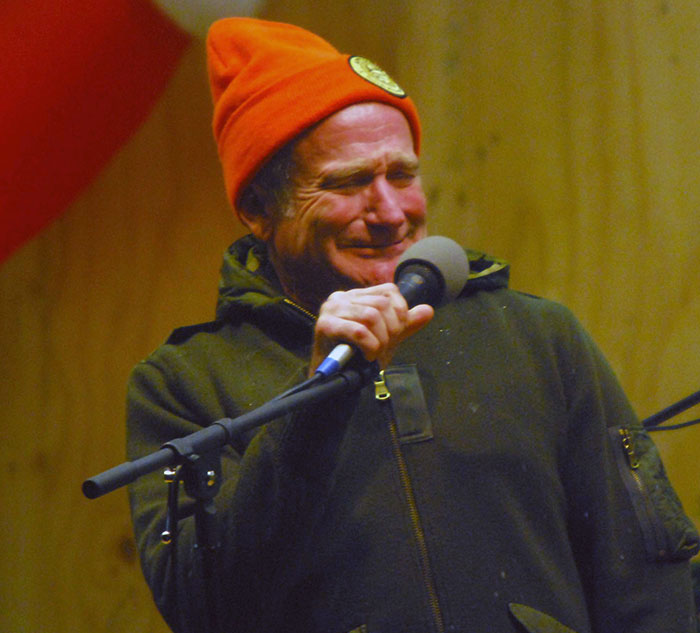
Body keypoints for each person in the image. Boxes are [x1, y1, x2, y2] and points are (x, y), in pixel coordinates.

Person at [126, 17, 700, 633]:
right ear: (259, 211)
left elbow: (646, 579)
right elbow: (205, 609)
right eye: (347, 183)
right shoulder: (183, 383)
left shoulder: (537, 337)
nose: (391, 211)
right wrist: (313, 404)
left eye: (402, 174)